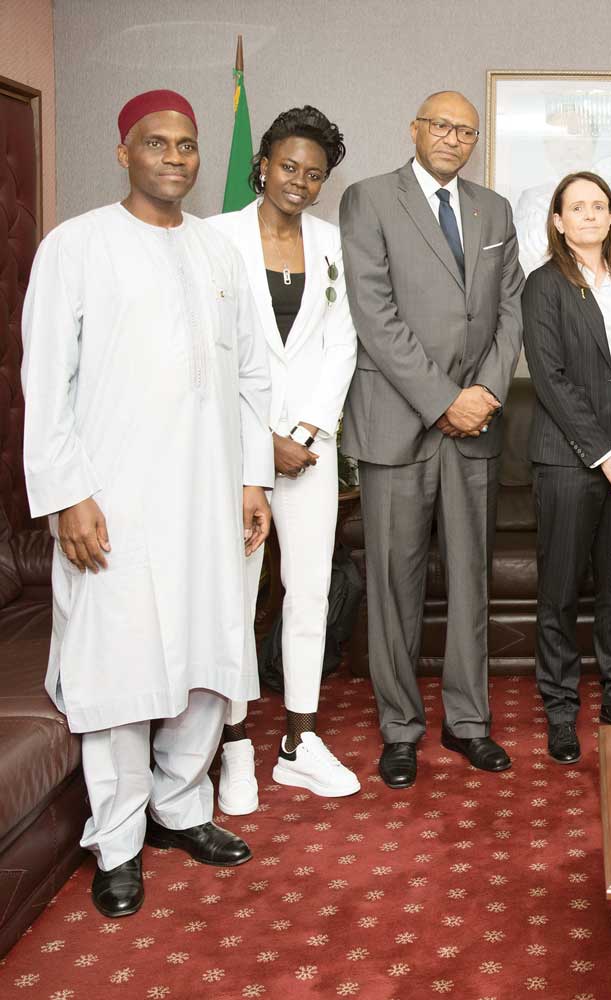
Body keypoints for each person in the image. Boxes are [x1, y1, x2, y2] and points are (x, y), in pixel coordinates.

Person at [20, 90, 274, 918]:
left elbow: (249, 376)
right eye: (157, 144)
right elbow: (44, 384)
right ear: (124, 152)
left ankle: (179, 806)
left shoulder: (219, 252)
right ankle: (120, 839)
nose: (176, 157)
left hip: (208, 497)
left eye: (188, 145)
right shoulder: (76, 246)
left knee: (209, 658)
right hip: (116, 501)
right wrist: (68, 497)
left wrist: (252, 480)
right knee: (121, 667)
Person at [339, 91, 524, 789]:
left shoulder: (493, 209)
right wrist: (444, 400)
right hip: (398, 422)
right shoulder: (368, 199)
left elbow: (511, 309)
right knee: (394, 584)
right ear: (414, 128)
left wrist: (484, 394)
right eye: (441, 125)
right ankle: (400, 728)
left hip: (476, 424)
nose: (453, 137)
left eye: (466, 130)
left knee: (471, 581)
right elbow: (373, 312)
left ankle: (468, 721)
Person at [207, 105, 359, 813]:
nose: (299, 181)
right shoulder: (212, 239)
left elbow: (343, 343)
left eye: (314, 173)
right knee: (235, 597)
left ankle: (299, 742)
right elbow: (206, 354)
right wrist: (262, 440)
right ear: (262, 163)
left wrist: (305, 431)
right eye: (289, 166)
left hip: (310, 451)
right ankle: (234, 744)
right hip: (234, 452)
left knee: (310, 593)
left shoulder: (332, 243)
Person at [522, 171, 611, 763]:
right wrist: (604, 455)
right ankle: (559, 709)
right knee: (559, 592)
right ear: (557, 220)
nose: (589, 215)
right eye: (577, 207)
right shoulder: (544, 286)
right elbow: (550, 381)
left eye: (599, 206)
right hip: (571, 459)